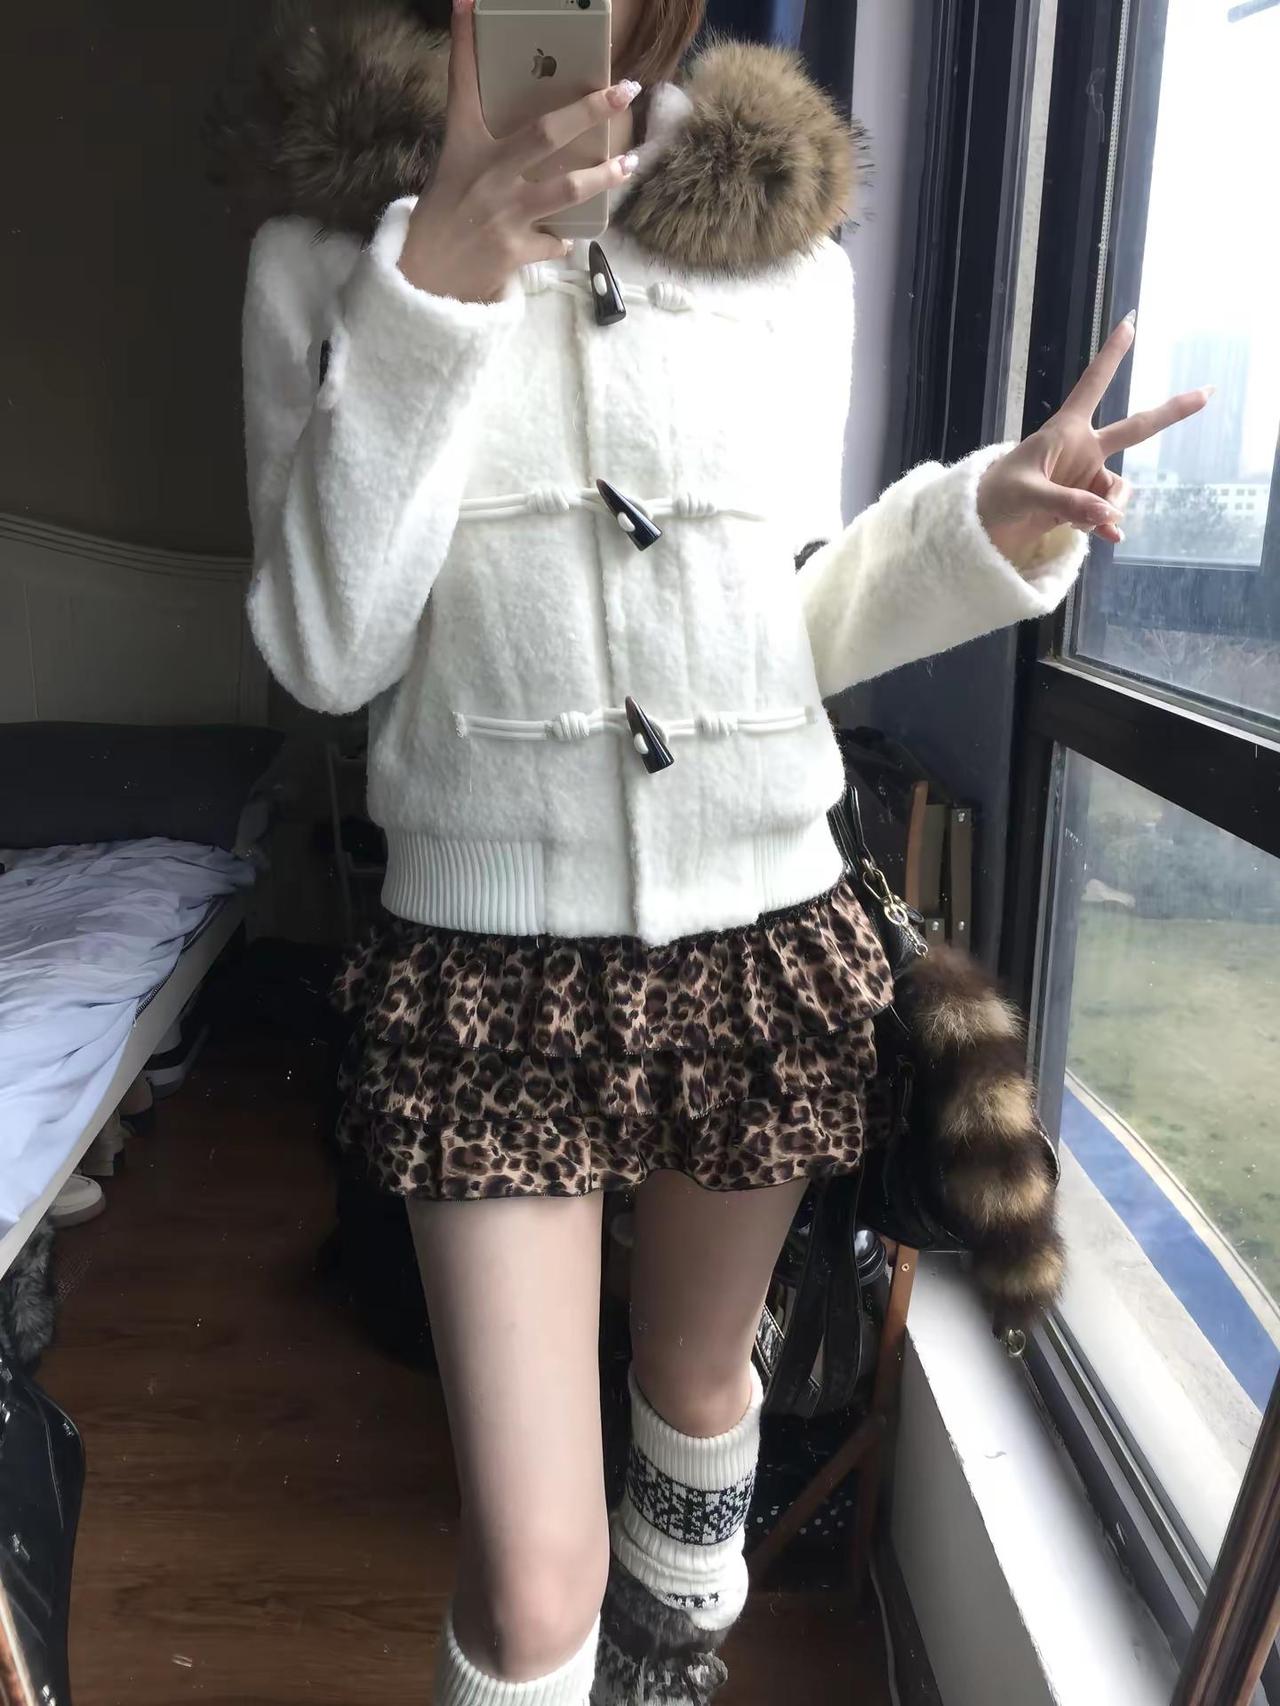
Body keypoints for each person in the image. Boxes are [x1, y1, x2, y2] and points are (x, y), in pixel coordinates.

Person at [211, 0, 1209, 1698]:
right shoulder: (321, 259)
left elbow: (788, 624)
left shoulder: (782, 257)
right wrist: (433, 288)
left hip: (760, 931)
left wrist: (976, 521)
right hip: (486, 971)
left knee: (696, 1388)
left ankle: (672, 1662)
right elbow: (325, 650)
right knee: (533, 1584)